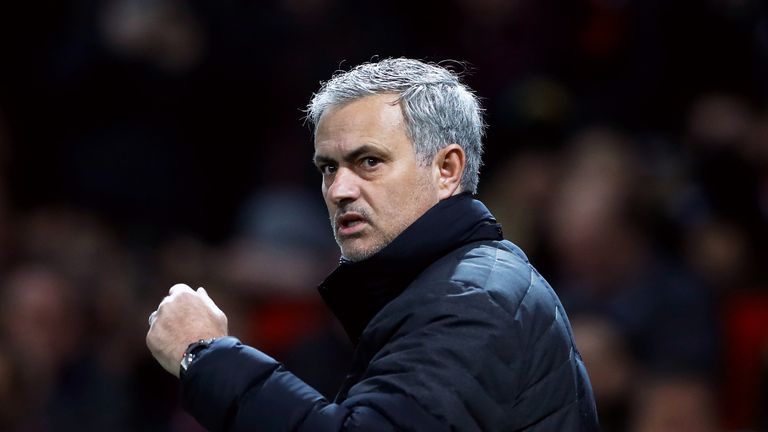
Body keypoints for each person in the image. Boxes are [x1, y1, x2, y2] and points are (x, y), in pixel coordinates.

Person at [146, 58, 599, 431]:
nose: (339, 189)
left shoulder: (472, 299)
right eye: (328, 167)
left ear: (447, 169)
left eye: (368, 161)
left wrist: (205, 353)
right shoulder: (452, 288)